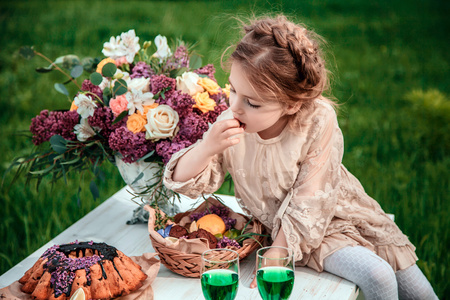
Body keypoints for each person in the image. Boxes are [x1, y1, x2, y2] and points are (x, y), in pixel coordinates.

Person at [163, 15, 438, 300]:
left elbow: (311, 197)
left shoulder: (317, 120)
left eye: (252, 102)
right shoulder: (231, 122)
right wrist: (206, 147)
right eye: (232, 89)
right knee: (378, 276)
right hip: (304, 236)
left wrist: (278, 254)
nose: (235, 107)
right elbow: (184, 182)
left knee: (421, 294)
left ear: (292, 104)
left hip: (335, 214)